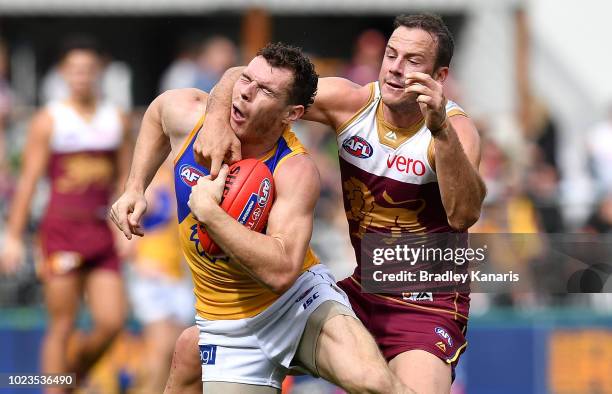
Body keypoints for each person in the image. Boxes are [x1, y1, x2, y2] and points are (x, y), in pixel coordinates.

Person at [194, 14, 486, 394]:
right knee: (190, 349)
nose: (396, 69)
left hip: (426, 302)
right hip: (361, 290)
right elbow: (250, 77)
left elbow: (464, 215)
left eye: (412, 61)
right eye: (391, 55)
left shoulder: (457, 131)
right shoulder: (351, 103)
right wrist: (216, 117)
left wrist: (440, 130)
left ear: (440, 77)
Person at [110, 43, 414, 394]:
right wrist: (135, 187)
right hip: (228, 327)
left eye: (266, 91)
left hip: (298, 304)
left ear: (292, 114)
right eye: (246, 80)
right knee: (187, 350)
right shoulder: (192, 117)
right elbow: (157, 113)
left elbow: (282, 272)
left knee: (377, 384)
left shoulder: (295, 169)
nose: (246, 94)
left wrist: (211, 214)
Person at [0, 40, 132, 393]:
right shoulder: (50, 120)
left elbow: (126, 177)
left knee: (112, 321)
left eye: (88, 70)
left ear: (98, 73)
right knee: (62, 323)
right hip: (61, 229)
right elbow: (28, 181)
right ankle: (55, 387)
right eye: (74, 70)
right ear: (63, 74)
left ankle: (69, 376)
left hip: (101, 228)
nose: (82, 77)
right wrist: (12, 237)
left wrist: (125, 225)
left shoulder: (114, 118)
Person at [126, 159, 195, 393]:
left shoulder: (179, 178)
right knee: (160, 350)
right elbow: (124, 238)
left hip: (176, 277)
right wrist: (137, 261)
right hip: (151, 276)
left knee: (175, 358)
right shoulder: (143, 182)